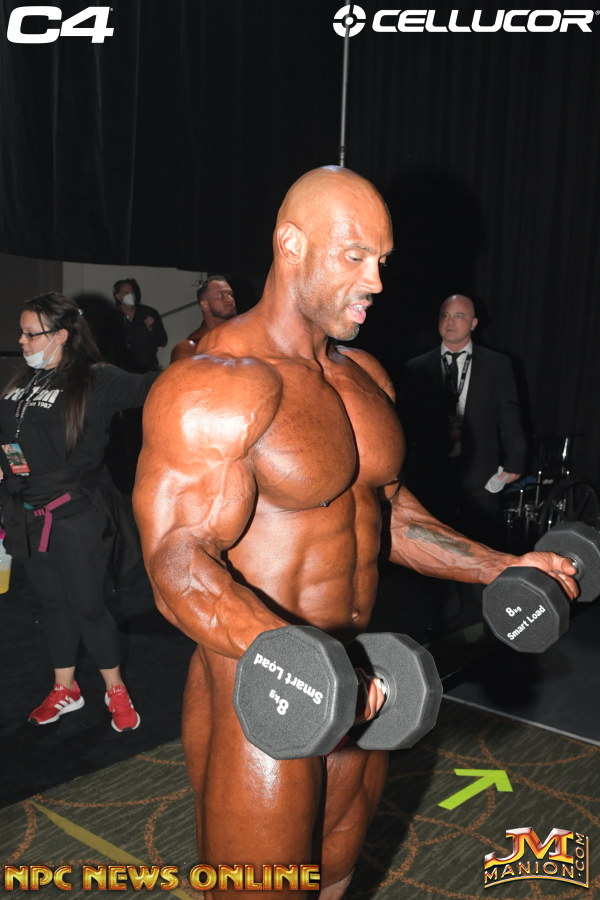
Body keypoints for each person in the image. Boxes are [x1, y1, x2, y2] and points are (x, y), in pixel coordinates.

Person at [133, 167, 577, 898]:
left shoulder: (365, 376)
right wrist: (305, 669)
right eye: (354, 256)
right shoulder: (215, 383)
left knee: (337, 874)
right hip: (264, 690)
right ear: (290, 245)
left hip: (362, 675)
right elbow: (175, 563)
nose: (375, 281)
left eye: (382, 260)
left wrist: (497, 565)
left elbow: (390, 515)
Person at [0, 293, 158, 731]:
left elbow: (152, 386)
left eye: (31, 333)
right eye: (22, 332)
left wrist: (204, 362)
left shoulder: (95, 378)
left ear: (62, 335)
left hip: (76, 514)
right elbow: (12, 441)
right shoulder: (22, 382)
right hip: (27, 511)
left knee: (88, 606)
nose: (22, 340)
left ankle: (115, 690)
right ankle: (65, 688)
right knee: (53, 604)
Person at [400, 294, 527, 548]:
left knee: (480, 547)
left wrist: (516, 460)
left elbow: (509, 414)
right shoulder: (416, 367)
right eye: (445, 316)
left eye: (459, 316)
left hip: (481, 474)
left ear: (474, 323)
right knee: (433, 550)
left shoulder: (497, 365)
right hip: (431, 472)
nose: (450, 322)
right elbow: (406, 421)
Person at [170, 275, 237, 362]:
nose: (230, 299)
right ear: (205, 305)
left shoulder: (241, 336)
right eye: (221, 295)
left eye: (230, 295)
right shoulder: (190, 348)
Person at [108, 278, 168, 374]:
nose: (130, 295)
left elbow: (162, 341)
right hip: (121, 371)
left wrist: (151, 329)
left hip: (147, 370)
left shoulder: (149, 313)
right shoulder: (111, 317)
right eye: (126, 292)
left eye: (132, 292)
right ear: (118, 296)